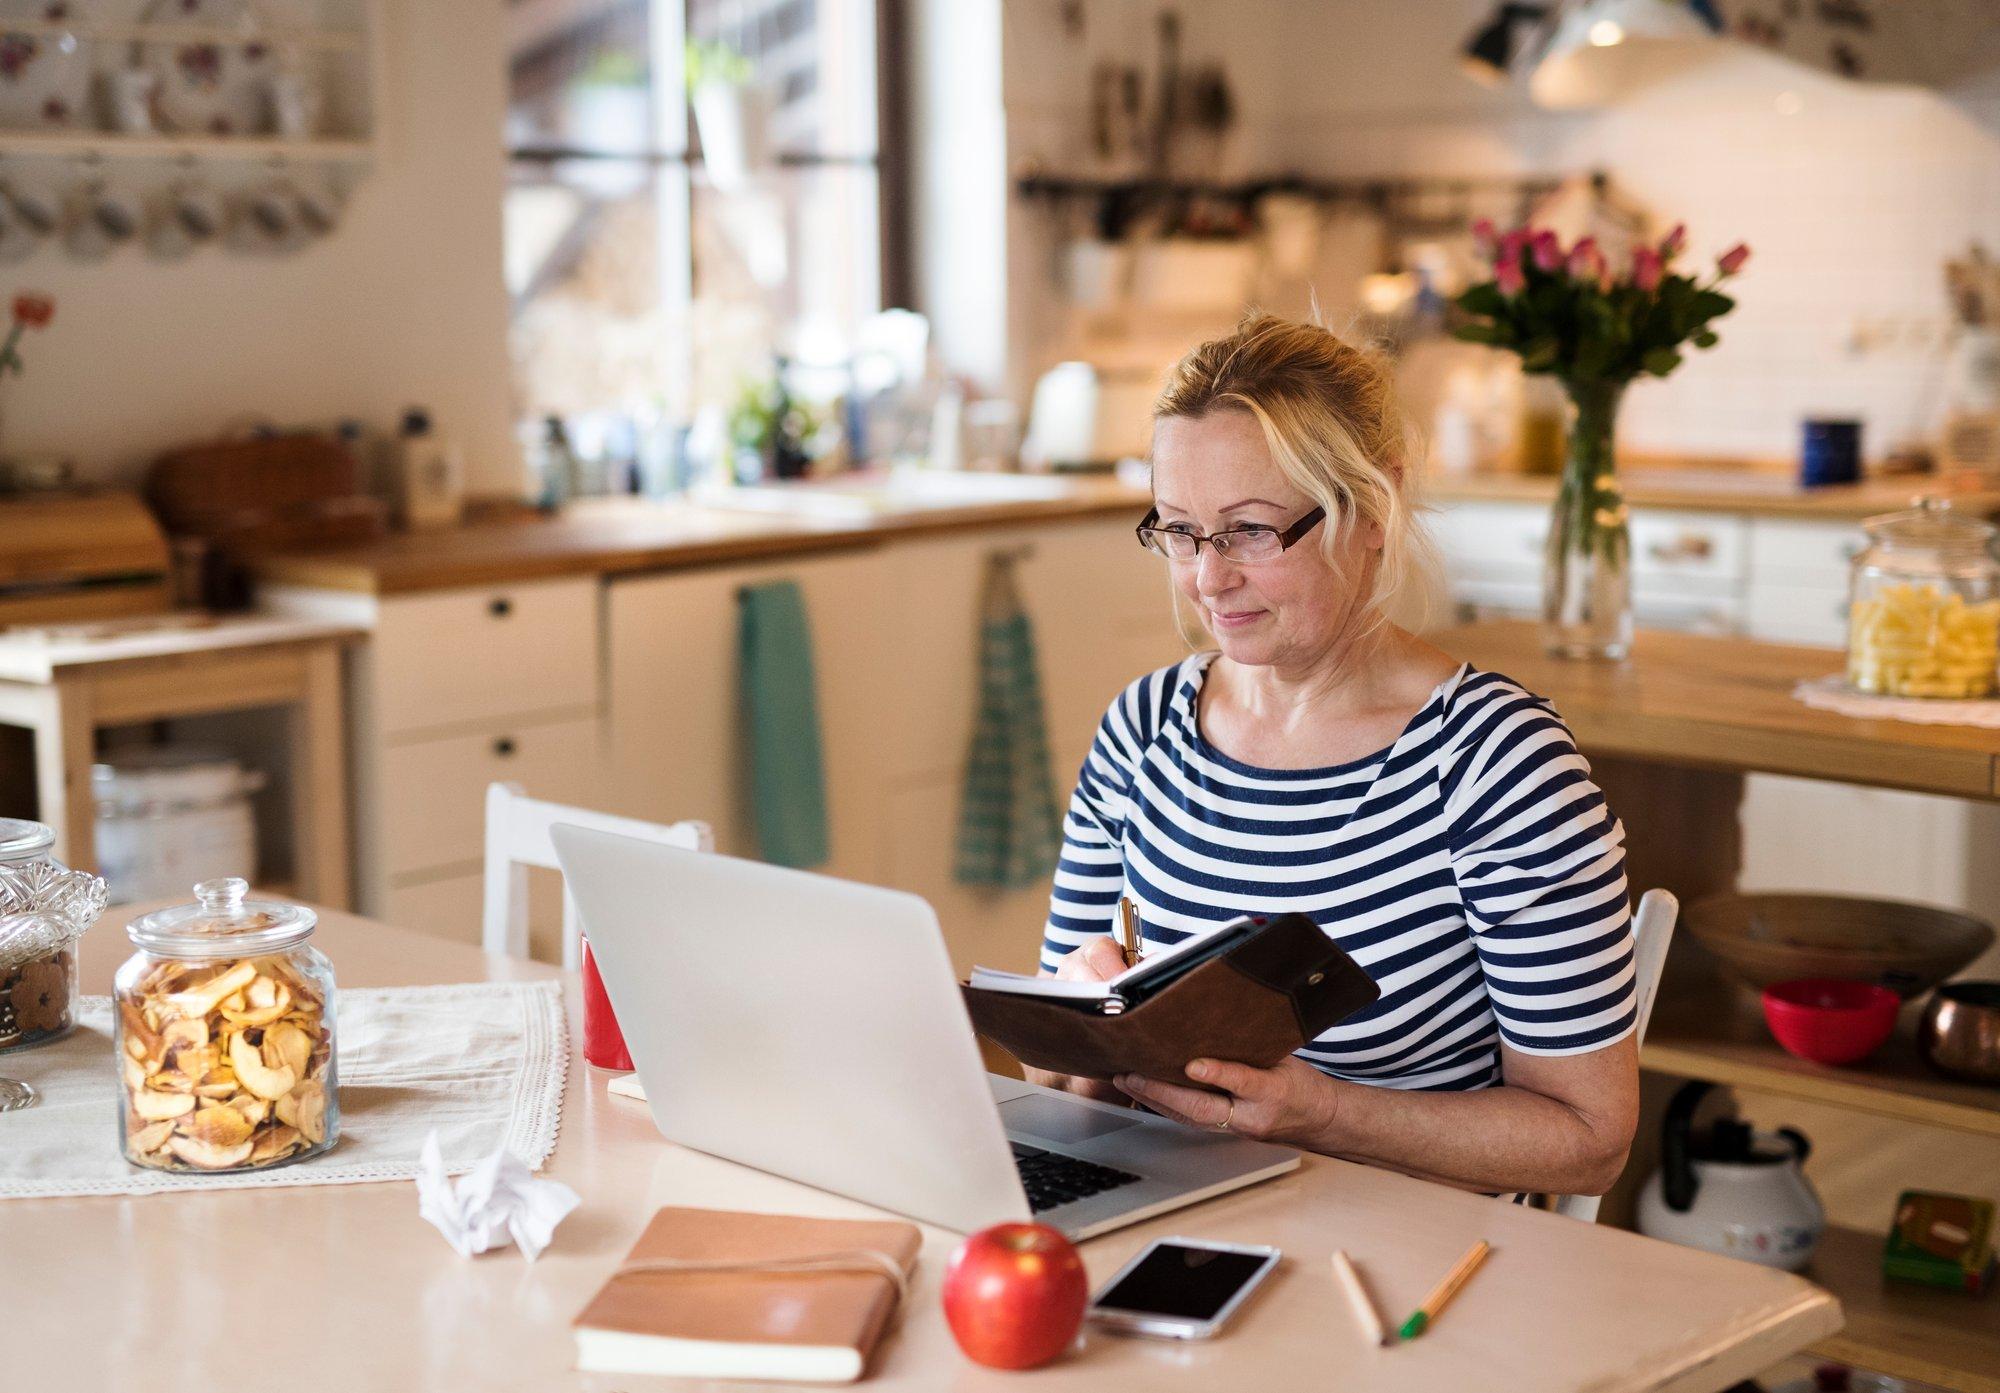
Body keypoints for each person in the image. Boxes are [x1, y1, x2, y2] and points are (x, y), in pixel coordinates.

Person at [1029, 314, 1639, 1199]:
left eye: (1249, 530)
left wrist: (1323, 1112)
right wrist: (1081, 1025)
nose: (1208, 577)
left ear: (1374, 509)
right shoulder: (1143, 727)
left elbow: (1589, 1140)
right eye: (1179, 529)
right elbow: (1052, 1081)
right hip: (1167, 1210)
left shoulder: (1496, 764)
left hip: (1409, 1252)